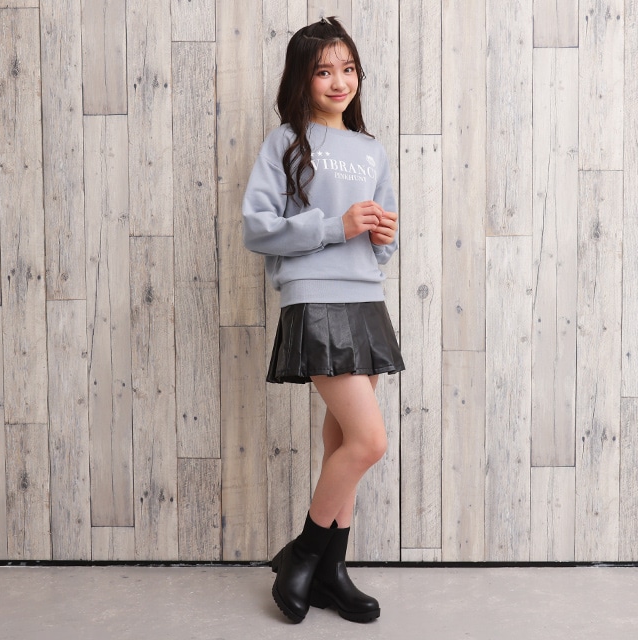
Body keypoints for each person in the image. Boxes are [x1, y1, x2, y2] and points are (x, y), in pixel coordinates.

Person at [242, 16, 404, 624]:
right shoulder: (286, 141)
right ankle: (305, 552)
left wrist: (383, 236)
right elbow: (257, 228)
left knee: (342, 441)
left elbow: (381, 242)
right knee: (369, 441)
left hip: (365, 299)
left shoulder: (371, 150)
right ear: (302, 80)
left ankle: (332, 571)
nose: (340, 81)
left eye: (348, 68)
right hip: (314, 299)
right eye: (324, 71)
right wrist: (335, 226)